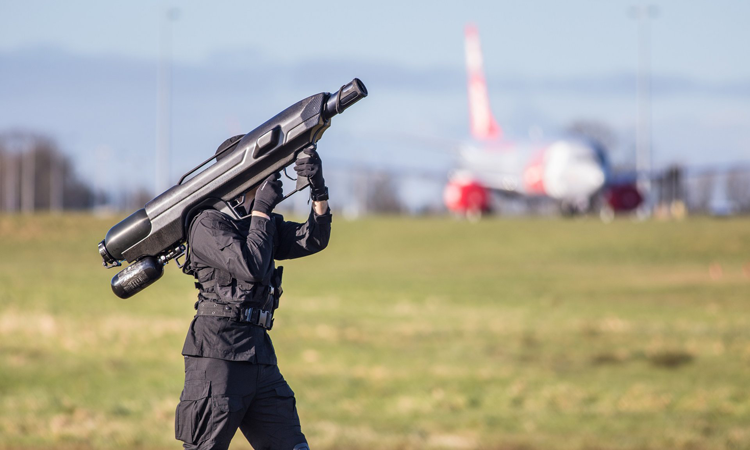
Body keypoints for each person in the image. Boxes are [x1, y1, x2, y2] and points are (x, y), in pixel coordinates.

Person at [175, 136, 331, 450]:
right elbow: (251, 266)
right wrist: (261, 211)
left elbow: (313, 239)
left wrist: (318, 189)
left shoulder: (260, 223)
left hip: (259, 356)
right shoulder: (207, 224)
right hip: (218, 358)